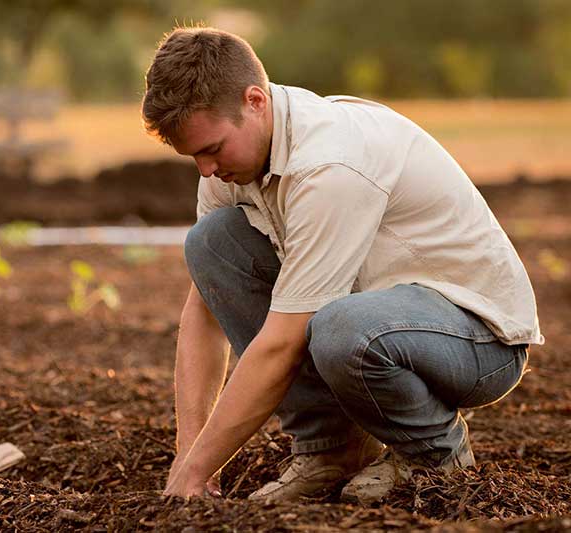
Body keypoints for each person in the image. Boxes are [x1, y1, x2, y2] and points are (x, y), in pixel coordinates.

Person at [141, 26, 542, 504]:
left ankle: (435, 456)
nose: (206, 170)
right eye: (194, 157)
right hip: (378, 314)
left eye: (212, 149)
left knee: (340, 328)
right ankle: (332, 450)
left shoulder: (330, 165)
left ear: (255, 101)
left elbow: (282, 344)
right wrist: (188, 459)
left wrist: (200, 468)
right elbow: (205, 313)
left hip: (479, 338)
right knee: (212, 243)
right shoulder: (231, 168)